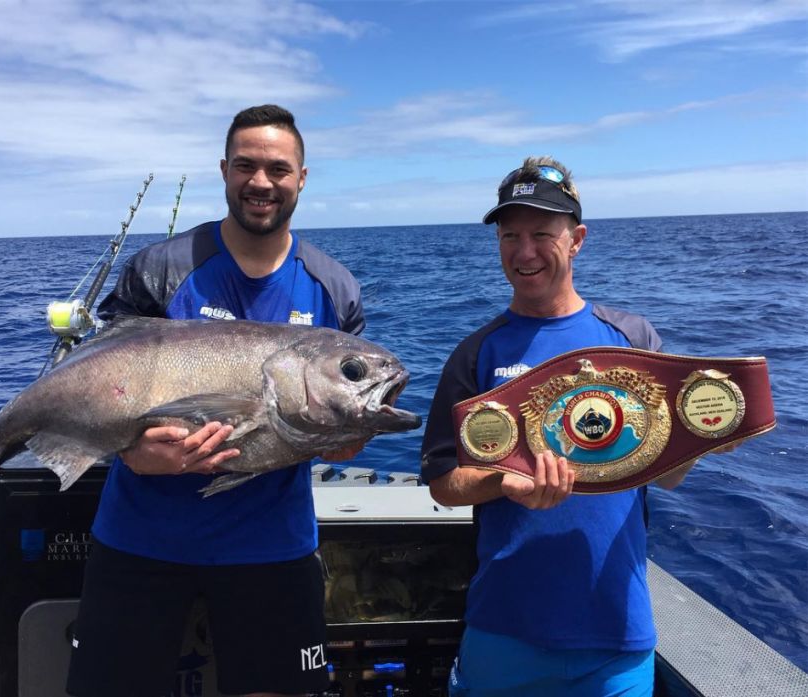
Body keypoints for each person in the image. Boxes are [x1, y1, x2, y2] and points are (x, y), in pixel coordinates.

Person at [66, 105, 364, 697]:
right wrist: (130, 452)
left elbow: (340, 411)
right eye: (246, 166)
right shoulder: (161, 268)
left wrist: (352, 431)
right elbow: (97, 382)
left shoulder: (334, 289)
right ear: (224, 170)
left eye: (278, 169)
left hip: (272, 547)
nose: (261, 182)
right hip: (141, 539)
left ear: (302, 178)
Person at [420, 156, 702, 697]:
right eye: (510, 235)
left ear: (577, 239)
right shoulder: (476, 353)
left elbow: (669, 476)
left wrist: (706, 433)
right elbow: (441, 481)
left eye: (542, 234)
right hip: (504, 630)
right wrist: (503, 482)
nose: (524, 252)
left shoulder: (632, 339)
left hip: (615, 634)